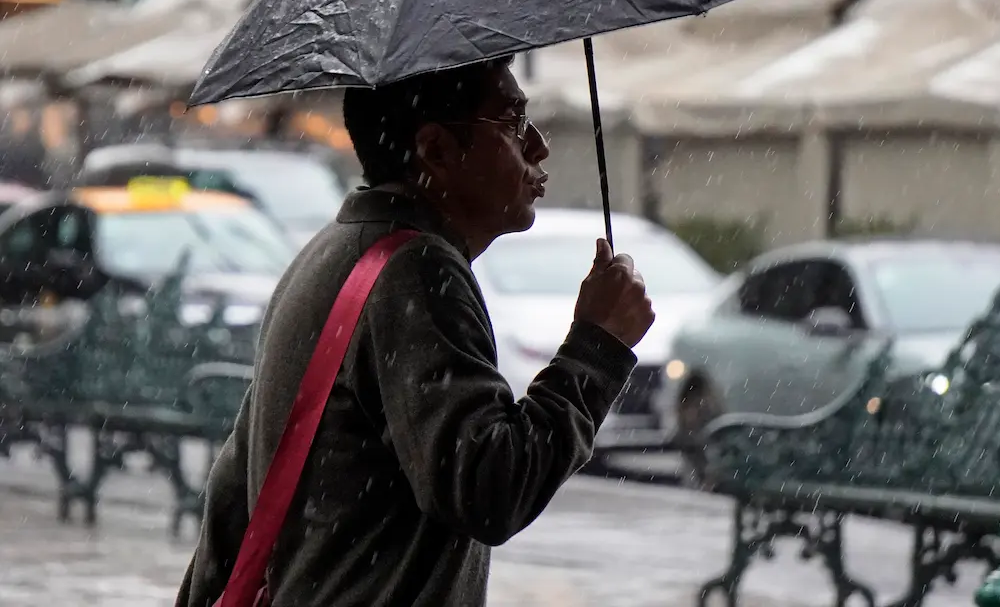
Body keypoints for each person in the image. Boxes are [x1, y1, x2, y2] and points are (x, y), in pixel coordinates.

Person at [175, 55, 655, 606]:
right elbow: (488, 488)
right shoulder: (416, 273)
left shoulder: (338, 250)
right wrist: (596, 347)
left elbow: (236, 490)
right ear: (436, 151)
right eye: (513, 123)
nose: (538, 147)